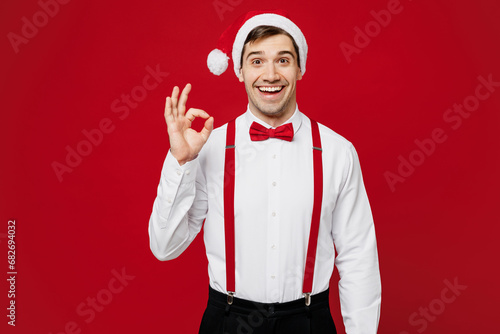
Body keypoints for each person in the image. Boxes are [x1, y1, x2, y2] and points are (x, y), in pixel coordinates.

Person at [148, 9, 381, 334]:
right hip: (228, 322)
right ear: (240, 70)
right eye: (257, 61)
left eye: (283, 60)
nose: (270, 74)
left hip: (310, 322)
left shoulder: (338, 152)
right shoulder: (208, 148)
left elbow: (358, 257)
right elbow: (164, 246)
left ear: (300, 68)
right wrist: (181, 161)